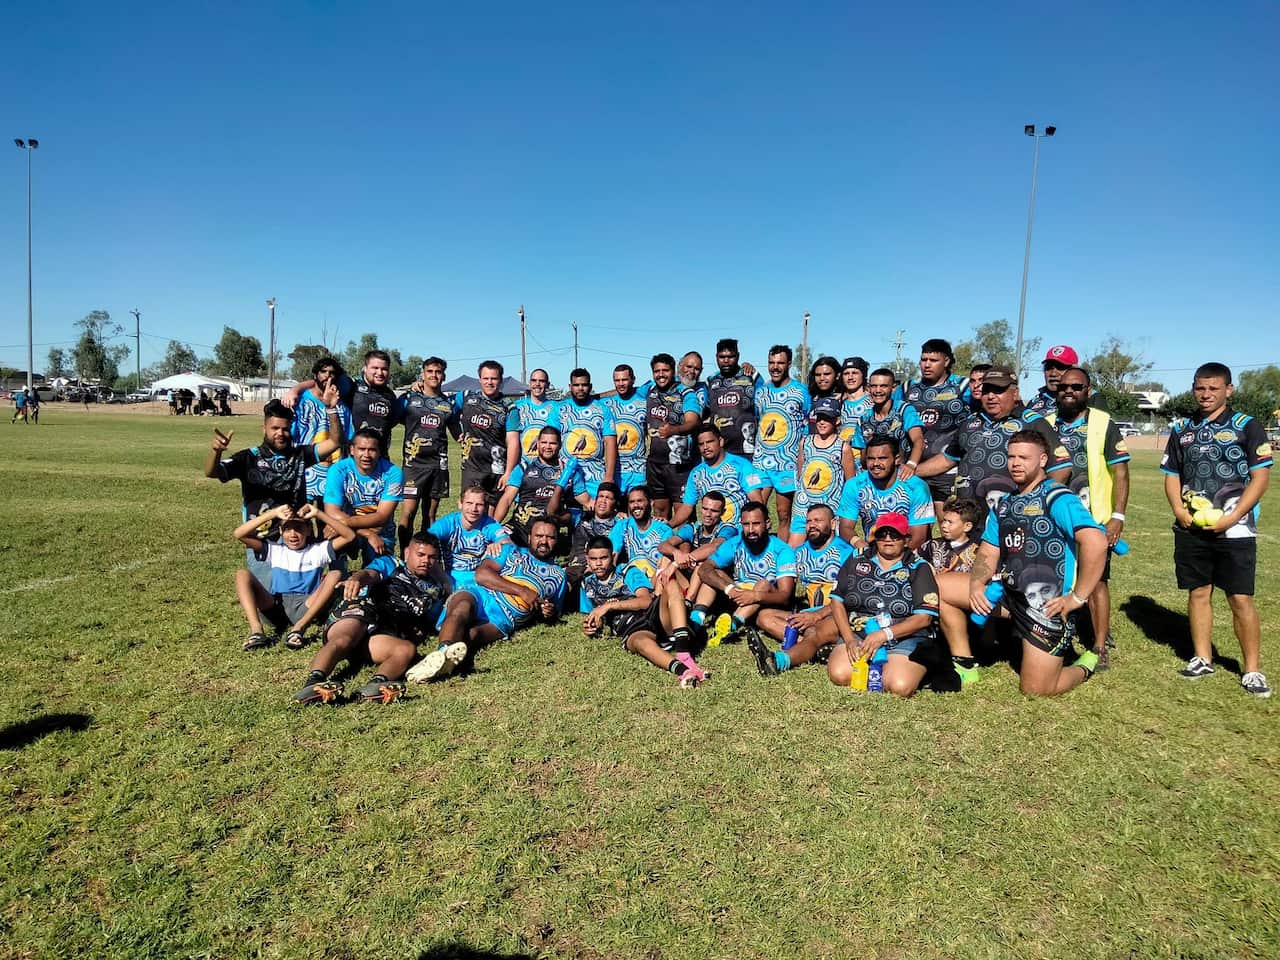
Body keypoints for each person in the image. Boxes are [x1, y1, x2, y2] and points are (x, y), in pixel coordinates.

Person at [1161, 362, 1272, 697]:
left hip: (1235, 527)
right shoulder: (1182, 428)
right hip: (1192, 526)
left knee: (1240, 597)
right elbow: (1171, 474)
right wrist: (1179, 510)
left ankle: (1252, 670)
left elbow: (1261, 477)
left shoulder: (1247, 426)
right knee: (1198, 592)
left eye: (1213, 388)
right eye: (1199, 388)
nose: (1205, 394)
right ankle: (1202, 658)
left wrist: (1234, 515)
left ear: (1229, 390)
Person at [969, 430, 1108, 696]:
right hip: (1009, 596)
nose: (1016, 463)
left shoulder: (1057, 497)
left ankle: (1085, 665)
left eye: (1024, 457)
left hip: (1045, 605)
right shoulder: (1006, 503)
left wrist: (1078, 598)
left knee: (1036, 690)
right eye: (1011, 457)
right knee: (941, 587)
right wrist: (976, 584)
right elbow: (988, 549)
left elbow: (1096, 542)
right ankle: (964, 660)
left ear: (1043, 460)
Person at [292, 532, 454, 705]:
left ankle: (374, 687)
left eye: (431, 557)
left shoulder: (435, 589)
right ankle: (313, 683)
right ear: (407, 553)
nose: (425, 561)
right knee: (346, 638)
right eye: (420, 555)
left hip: (383, 631)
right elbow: (369, 574)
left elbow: (433, 620)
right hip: (363, 609)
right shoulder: (392, 563)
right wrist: (356, 579)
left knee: (406, 649)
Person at [206, 396, 343, 589]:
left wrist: (331, 409)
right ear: (264, 429)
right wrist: (216, 451)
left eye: (285, 429)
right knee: (270, 598)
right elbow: (212, 472)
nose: (280, 433)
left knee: (304, 595)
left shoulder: (301, 455)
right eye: (275, 428)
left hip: (297, 536)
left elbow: (336, 441)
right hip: (263, 540)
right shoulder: (248, 458)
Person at [1045, 365, 1130, 667]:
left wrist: (1117, 516)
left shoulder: (1102, 423)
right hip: (1053, 515)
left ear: (1087, 391)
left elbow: (1120, 472)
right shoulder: (1046, 423)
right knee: (1055, 577)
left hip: (1093, 518)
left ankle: (1099, 645)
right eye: (1064, 386)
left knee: (1096, 582)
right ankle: (1054, 636)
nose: (1069, 391)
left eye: (1077, 387)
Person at [818, 512, 946, 698]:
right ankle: (872, 661)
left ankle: (897, 665)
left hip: (904, 636)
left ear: (907, 539)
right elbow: (837, 600)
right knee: (840, 675)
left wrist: (884, 635)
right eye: (882, 534)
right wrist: (848, 639)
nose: (887, 539)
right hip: (859, 631)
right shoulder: (857, 558)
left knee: (899, 686)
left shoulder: (919, 567)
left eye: (895, 535)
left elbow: (924, 617)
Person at [917, 364, 1070, 505]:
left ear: (1015, 393)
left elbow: (1061, 466)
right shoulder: (969, 422)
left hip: (1012, 518)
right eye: (986, 390)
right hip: (969, 520)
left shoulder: (1034, 423)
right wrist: (909, 472)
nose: (990, 396)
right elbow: (947, 459)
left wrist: (1038, 500)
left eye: (998, 390)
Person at [432, 516, 568, 671]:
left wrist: (547, 613)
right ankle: (442, 654)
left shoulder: (558, 575)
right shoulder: (510, 551)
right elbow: (482, 575)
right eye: (539, 536)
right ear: (529, 537)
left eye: (550, 537)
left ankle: (441, 663)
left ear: (556, 540)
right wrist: (522, 591)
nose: (544, 541)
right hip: (481, 595)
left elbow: (555, 611)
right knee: (461, 608)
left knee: (473, 635)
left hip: (504, 618)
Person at [580, 538, 708, 687]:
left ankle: (684, 653)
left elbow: (645, 601)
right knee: (640, 643)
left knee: (670, 582)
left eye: (603, 558)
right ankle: (683, 671)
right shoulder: (586, 584)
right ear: (587, 559)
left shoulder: (627, 571)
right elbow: (593, 615)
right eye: (593, 559)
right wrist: (593, 625)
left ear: (612, 556)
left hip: (652, 615)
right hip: (632, 629)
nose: (599, 563)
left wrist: (608, 606)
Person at [750, 504, 854, 677]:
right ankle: (812, 648)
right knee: (764, 617)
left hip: (837, 614)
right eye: (808, 521)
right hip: (808, 613)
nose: (812, 525)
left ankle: (798, 651)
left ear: (834, 523)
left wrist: (817, 615)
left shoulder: (847, 553)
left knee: (815, 630)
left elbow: (850, 597)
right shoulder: (798, 553)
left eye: (818, 521)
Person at [233, 503, 353, 651]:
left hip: (306, 606)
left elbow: (350, 536)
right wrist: (272, 514)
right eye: (288, 529)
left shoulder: (318, 550)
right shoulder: (274, 549)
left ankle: (299, 628)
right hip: (276, 607)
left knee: (335, 574)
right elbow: (239, 534)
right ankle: (256, 631)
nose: (293, 534)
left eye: (299, 528)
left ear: (308, 530)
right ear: (281, 531)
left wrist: (318, 513)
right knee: (242, 574)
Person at [693, 501, 796, 646]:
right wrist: (730, 589)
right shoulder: (735, 543)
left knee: (763, 584)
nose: (751, 529)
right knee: (712, 573)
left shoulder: (782, 550)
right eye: (746, 524)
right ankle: (695, 623)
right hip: (738, 596)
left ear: (767, 523)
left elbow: (785, 597)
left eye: (756, 524)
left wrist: (754, 596)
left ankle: (731, 626)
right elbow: (704, 569)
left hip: (766, 601)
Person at [286, 349, 404, 457]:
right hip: (353, 458)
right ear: (365, 368)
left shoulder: (390, 396)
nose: (380, 372)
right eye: (375, 368)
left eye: (384, 369)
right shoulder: (352, 385)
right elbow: (322, 381)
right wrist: (294, 390)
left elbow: (392, 421)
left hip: (380, 457)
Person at [900, 339, 972, 513]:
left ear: (946, 361)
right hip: (911, 470)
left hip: (947, 471)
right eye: (924, 360)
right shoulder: (908, 388)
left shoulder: (962, 387)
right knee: (916, 527)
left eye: (933, 360)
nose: (927, 365)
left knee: (948, 524)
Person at [751, 344, 811, 535]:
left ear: (789, 364)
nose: (775, 367)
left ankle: (781, 553)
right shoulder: (760, 391)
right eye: (771, 362)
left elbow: (808, 424)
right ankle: (757, 551)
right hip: (761, 461)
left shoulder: (801, 391)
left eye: (780, 363)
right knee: (754, 509)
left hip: (787, 463)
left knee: (783, 513)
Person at [837, 435, 935, 551]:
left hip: (908, 554)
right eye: (871, 458)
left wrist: (889, 559)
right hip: (871, 551)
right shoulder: (855, 485)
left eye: (882, 458)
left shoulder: (916, 487)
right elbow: (845, 527)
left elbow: (919, 537)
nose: (875, 464)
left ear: (897, 459)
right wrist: (859, 544)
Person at [323, 428, 405, 564]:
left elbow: (382, 517)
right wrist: (367, 533)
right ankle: (338, 573)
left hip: (380, 531)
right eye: (361, 449)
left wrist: (344, 523)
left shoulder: (393, 473)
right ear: (352, 450)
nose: (366, 455)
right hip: (344, 529)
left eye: (372, 450)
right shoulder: (337, 470)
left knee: (378, 575)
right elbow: (332, 512)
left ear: (380, 452)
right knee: (332, 536)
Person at [398, 357, 457, 546]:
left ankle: (425, 554)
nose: (434, 375)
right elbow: (391, 420)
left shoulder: (448, 404)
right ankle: (405, 555)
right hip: (413, 466)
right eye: (430, 371)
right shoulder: (409, 398)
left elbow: (458, 433)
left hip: (438, 466)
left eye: (438, 372)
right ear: (423, 374)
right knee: (408, 512)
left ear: (443, 375)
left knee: (430, 515)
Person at [494, 425, 583, 544]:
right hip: (518, 527)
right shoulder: (523, 467)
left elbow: (584, 500)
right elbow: (507, 499)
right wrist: (493, 527)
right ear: (537, 443)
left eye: (552, 443)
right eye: (544, 442)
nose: (547, 447)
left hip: (546, 533)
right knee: (500, 544)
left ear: (560, 445)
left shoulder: (569, 472)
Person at [643, 353, 703, 520]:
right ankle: (663, 546)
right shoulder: (649, 389)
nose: (661, 374)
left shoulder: (686, 393)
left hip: (679, 465)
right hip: (655, 464)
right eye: (657, 371)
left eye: (665, 370)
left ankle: (687, 546)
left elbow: (693, 422)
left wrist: (674, 430)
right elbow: (626, 391)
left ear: (673, 371)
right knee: (660, 513)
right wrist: (594, 397)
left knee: (684, 515)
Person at [671, 422, 766, 528]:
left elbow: (756, 499)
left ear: (720, 441)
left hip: (740, 531)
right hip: (712, 533)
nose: (705, 447)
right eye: (701, 444)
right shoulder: (696, 474)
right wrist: (669, 525)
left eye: (710, 442)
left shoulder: (743, 465)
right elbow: (687, 507)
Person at [788, 402, 856, 547]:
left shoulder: (843, 447)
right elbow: (801, 473)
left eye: (827, 418)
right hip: (803, 507)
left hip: (829, 508)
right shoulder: (805, 442)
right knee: (793, 550)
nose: (822, 422)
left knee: (828, 551)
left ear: (837, 420)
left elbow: (851, 483)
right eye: (819, 418)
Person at [291, 357, 353, 505]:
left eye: (332, 372)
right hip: (304, 473)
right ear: (315, 375)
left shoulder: (342, 407)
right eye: (323, 371)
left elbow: (348, 439)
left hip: (333, 475)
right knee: (300, 521)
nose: (327, 375)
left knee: (328, 525)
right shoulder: (299, 402)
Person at [454, 360, 513, 511]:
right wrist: (457, 433)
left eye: (493, 378)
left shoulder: (509, 407)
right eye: (486, 378)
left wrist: (508, 473)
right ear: (479, 379)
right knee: (469, 512)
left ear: (500, 380)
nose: (489, 382)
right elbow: (443, 411)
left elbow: (513, 442)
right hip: (471, 467)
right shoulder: (466, 397)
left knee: (490, 517)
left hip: (496, 470)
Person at [428, 485, 513, 586]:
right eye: (469, 503)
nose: (474, 509)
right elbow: (425, 540)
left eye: (479, 504)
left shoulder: (489, 524)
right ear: (460, 504)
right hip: (448, 577)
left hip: (480, 579)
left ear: (485, 507)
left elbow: (509, 544)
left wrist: (499, 544)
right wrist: (441, 576)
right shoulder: (448, 522)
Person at [657, 490, 736, 597]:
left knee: (702, 565)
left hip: (717, 580)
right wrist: (677, 554)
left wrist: (677, 563)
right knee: (665, 559)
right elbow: (663, 545)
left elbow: (715, 546)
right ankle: (657, 597)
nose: (708, 514)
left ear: (723, 512)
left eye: (714, 511)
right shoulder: (694, 528)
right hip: (694, 577)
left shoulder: (727, 529)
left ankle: (688, 602)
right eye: (705, 509)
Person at [849, 368, 926, 479]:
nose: (878, 390)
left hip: (902, 475)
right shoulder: (863, 419)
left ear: (893, 388)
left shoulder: (904, 410)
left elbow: (918, 440)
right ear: (868, 388)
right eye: (874, 386)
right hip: (875, 477)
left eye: (883, 386)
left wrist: (911, 465)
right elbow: (864, 459)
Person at [557, 368, 618, 500]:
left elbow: (610, 443)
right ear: (570, 386)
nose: (580, 388)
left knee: (599, 514)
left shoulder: (603, 410)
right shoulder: (559, 409)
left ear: (590, 386)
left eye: (584, 385)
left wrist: (608, 477)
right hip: (566, 474)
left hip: (595, 475)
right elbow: (550, 439)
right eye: (576, 385)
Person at [704, 338, 761, 458]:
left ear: (738, 356)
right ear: (716, 357)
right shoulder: (710, 381)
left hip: (747, 451)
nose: (726, 361)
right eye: (722, 357)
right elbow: (702, 412)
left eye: (731, 356)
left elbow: (763, 410)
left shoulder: (752, 377)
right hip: (719, 452)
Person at [609, 485, 674, 579]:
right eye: (632, 502)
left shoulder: (664, 530)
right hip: (630, 578)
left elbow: (663, 563)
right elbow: (613, 556)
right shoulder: (622, 525)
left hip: (656, 579)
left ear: (651, 503)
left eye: (640, 501)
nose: (635, 505)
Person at [604, 364, 650, 494]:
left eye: (624, 380)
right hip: (615, 471)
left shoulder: (644, 403)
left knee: (636, 510)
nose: (620, 384)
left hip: (638, 470)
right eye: (617, 380)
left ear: (633, 380)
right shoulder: (607, 405)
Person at [565, 482, 621, 588]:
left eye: (608, 498)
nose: (603, 501)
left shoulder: (620, 523)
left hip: (605, 570)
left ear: (615, 504)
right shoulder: (580, 517)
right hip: (576, 570)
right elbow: (552, 512)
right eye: (601, 496)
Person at [505, 368, 559, 464]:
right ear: (529, 383)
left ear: (548, 384)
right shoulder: (517, 407)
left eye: (541, 381)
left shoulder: (557, 407)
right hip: (522, 467)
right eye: (534, 380)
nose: (537, 384)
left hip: (548, 467)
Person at [919, 497, 983, 575]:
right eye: (944, 520)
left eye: (950, 522)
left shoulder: (978, 552)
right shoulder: (931, 546)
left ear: (967, 526)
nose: (944, 525)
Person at [1026, 345, 1078, 416]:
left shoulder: (1090, 400)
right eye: (1049, 367)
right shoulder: (1034, 402)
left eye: (1060, 367)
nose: (1053, 374)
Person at [839, 357, 872, 446]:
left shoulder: (873, 402)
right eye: (846, 373)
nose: (850, 377)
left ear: (863, 375)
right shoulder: (837, 404)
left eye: (855, 373)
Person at [806, 356, 842, 429]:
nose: (822, 378)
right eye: (818, 375)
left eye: (827, 374)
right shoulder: (810, 398)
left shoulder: (843, 399)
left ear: (837, 375)